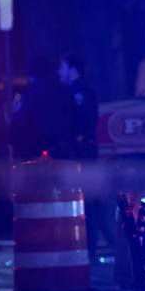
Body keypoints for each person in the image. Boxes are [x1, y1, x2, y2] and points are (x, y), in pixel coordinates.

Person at [58, 53, 115, 258]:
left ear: (73, 70)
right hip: (85, 152)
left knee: (87, 201)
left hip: (82, 154)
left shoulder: (79, 92)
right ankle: (93, 243)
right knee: (89, 200)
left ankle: (89, 246)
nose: (59, 72)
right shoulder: (81, 90)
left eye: (62, 68)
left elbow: (80, 123)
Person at [10, 56, 67, 161]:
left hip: (35, 150)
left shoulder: (30, 95)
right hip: (60, 149)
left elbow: (19, 121)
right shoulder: (61, 91)